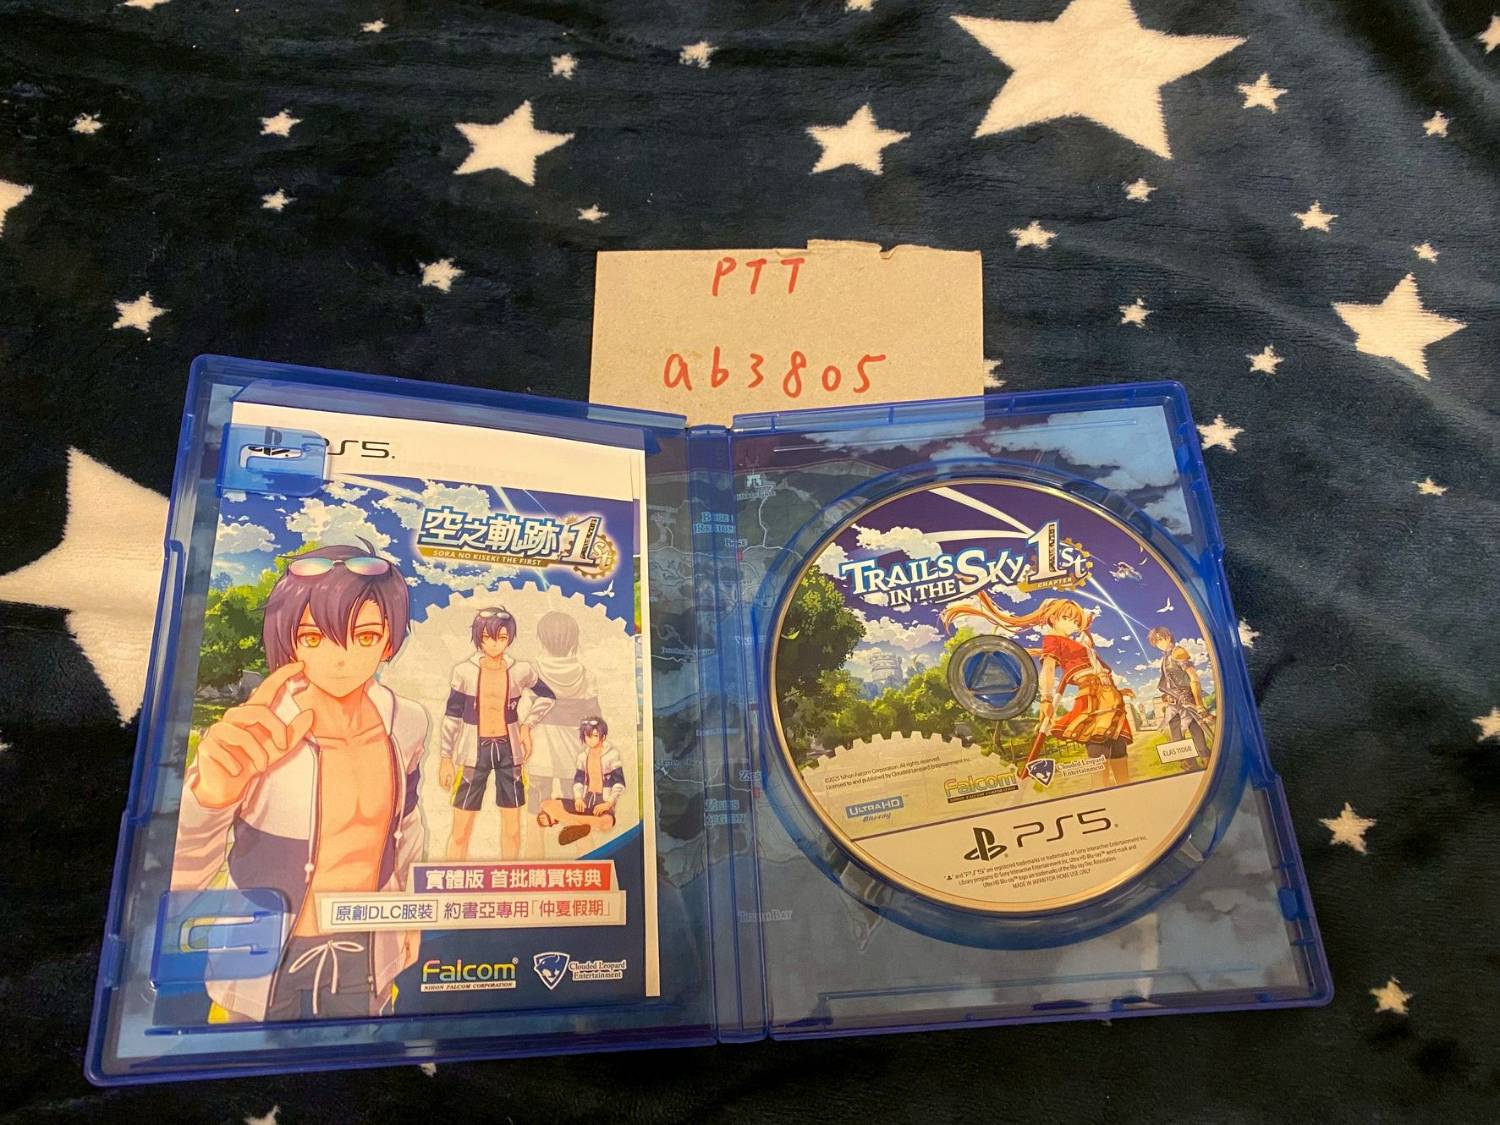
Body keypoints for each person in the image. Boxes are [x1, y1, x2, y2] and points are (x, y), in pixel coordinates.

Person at [172, 542, 426, 1021]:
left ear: (389, 642)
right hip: (260, 959)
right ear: (288, 641)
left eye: (365, 636)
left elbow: (407, 828)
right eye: (314, 637)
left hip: (366, 951)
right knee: (243, 1062)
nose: (340, 657)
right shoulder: (259, 730)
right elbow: (177, 878)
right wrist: (209, 799)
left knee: (362, 1062)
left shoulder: (407, 722)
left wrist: (410, 915)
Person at [941, 592, 1133, 787]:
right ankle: (1101, 793)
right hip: (1091, 697)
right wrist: (1046, 699)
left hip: (1110, 697)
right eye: (1067, 618)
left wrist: (1118, 691)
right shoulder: (1053, 640)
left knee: (1118, 746)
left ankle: (1127, 791)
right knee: (1098, 745)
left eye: (1076, 620)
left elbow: (1093, 658)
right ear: (1053, 618)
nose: (1073, 624)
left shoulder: (1080, 644)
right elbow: (1048, 668)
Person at [437, 607, 555, 860]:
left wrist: (527, 726)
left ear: (509, 638)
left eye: (501, 638)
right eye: (488, 637)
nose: (494, 644)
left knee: (512, 829)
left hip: (509, 752)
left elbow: (547, 696)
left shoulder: (521, 670)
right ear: (479, 637)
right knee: (460, 830)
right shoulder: (464, 671)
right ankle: (452, 877)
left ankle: (509, 877)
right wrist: (446, 757)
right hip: (473, 753)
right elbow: (452, 715)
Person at [526, 611, 602, 819]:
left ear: (541, 639)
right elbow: (595, 718)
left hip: (540, 746)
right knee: (574, 802)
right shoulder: (587, 675)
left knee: (537, 807)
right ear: (573, 639)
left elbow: (524, 710)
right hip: (574, 747)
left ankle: (538, 836)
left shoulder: (533, 671)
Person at [537, 717, 625, 847]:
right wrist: (578, 799)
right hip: (585, 800)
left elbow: (619, 783)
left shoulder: (612, 755)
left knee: (607, 823)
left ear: (603, 737)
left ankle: (568, 821)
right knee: (546, 804)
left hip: (602, 802)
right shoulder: (582, 757)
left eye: (595, 736)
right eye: (587, 736)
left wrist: (608, 804)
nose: (590, 739)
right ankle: (577, 823)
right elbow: (578, 780)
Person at [1147, 625, 1210, 767]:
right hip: (1174, 702)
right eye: (1156, 642)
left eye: (1160, 639)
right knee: (1176, 732)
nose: (1159, 644)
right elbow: (1170, 681)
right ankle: (1187, 762)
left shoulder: (1178, 652)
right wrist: (1167, 695)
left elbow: (1193, 677)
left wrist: (1199, 704)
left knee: (1195, 729)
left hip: (1186, 700)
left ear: (1168, 637)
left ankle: (1205, 758)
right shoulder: (1165, 657)